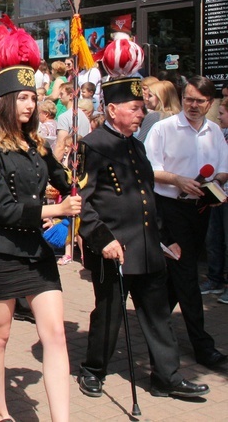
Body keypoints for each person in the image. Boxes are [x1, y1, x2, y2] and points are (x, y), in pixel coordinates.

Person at [76, 76, 210, 400]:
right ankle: (94, 370)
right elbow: (84, 202)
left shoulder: (136, 145)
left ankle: (167, 377)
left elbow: (148, 196)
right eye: (134, 108)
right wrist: (101, 239)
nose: (141, 113)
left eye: (141, 108)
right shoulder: (93, 145)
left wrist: (164, 238)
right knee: (108, 316)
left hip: (148, 248)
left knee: (158, 315)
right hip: (114, 250)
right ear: (111, 109)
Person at [0, 57, 81, 422]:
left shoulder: (37, 147)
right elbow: (2, 210)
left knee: (56, 336)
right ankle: (1, 414)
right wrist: (56, 211)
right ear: (4, 102)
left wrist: (76, 154)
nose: (30, 105)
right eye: (21, 98)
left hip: (35, 251)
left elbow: (69, 183)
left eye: (32, 97)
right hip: (0, 251)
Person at [145, 75, 228, 368]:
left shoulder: (215, 131)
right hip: (170, 209)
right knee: (187, 274)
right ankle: (202, 346)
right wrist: (178, 180)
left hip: (201, 209)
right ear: (183, 97)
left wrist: (214, 185)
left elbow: (222, 169)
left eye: (200, 101)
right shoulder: (163, 128)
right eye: (189, 99)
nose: (193, 105)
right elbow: (150, 168)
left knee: (177, 275)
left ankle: (154, 323)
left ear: (210, 103)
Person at [202, 97, 228, 302]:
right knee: (214, 239)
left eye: (222, 113)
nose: (219, 117)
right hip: (218, 196)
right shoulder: (221, 134)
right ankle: (215, 278)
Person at [53, 83, 91, 162]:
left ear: (70, 96)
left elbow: (61, 145)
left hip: (68, 161)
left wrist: (54, 166)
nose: (59, 97)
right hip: (80, 160)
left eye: (62, 94)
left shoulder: (64, 117)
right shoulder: (85, 117)